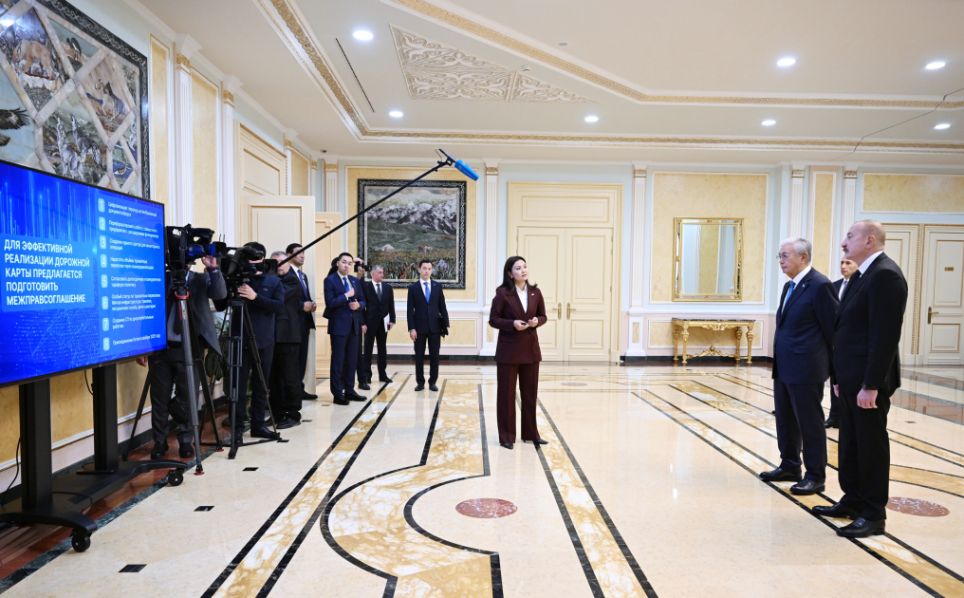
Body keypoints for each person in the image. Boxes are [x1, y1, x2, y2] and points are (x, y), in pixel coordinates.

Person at [812, 220, 908, 539]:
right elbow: (846, 330)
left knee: (870, 446)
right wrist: (839, 378)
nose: (843, 242)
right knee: (851, 443)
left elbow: (884, 337)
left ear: (869, 240)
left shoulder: (886, 275)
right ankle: (852, 500)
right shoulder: (861, 275)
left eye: (850, 236)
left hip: (868, 382)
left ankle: (873, 513)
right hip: (850, 378)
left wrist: (871, 385)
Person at [759, 238, 837, 495]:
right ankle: (790, 465)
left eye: (785, 255)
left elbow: (832, 331)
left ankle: (815, 475)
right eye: (780, 256)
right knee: (785, 419)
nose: (781, 261)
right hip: (785, 366)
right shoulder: (789, 286)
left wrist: (836, 372)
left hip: (807, 368)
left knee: (809, 423)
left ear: (803, 257)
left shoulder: (820, 285)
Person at [140, 254, 226, 459]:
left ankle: (186, 441)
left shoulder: (200, 279)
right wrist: (143, 345)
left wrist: (213, 269)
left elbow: (220, 295)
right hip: (161, 348)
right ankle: (159, 442)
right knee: (159, 399)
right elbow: (148, 310)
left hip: (191, 346)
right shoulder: (159, 279)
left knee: (187, 397)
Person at [489, 256, 548, 450]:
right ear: (510, 273)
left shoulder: (536, 292)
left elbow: (543, 316)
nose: (523, 270)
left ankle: (530, 434)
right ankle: (507, 436)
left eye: (525, 266)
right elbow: (493, 319)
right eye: (518, 268)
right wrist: (512, 324)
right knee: (506, 395)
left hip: (531, 351)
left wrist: (537, 321)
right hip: (509, 352)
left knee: (530, 394)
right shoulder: (502, 293)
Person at [233, 242, 284, 441]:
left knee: (261, 385)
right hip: (239, 339)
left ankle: (258, 425)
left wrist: (255, 297)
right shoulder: (236, 280)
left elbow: (278, 307)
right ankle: (237, 428)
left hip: (264, 340)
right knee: (238, 386)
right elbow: (221, 303)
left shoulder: (273, 281)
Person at [323, 252, 367, 405]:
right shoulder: (330, 280)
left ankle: (350, 390)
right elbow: (330, 303)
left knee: (351, 361)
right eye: (344, 262)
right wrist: (347, 296)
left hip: (354, 326)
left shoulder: (354, 280)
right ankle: (337, 393)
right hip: (339, 327)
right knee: (338, 361)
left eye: (349, 263)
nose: (347, 265)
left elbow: (363, 301)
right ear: (337, 263)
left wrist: (359, 305)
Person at [269, 251, 304, 429]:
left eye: (282, 262)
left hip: (289, 336)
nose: (279, 266)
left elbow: (279, 296)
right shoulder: (273, 280)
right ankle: (276, 412)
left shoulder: (292, 280)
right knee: (274, 378)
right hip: (273, 336)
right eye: (275, 263)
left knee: (290, 377)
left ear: (289, 264)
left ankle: (293, 413)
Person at [826, 258, 859, 428]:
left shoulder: (860, 286)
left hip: (851, 343)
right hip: (835, 341)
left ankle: (847, 418)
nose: (844, 267)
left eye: (848, 263)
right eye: (842, 263)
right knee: (835, 380)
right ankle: (834, 416)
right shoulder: (834, 286)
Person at [407, 259, 449, 392]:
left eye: (429, 269)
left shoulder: (437, 286)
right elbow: (409, 310)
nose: (426, 271)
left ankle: (433, 382)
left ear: (432, 270)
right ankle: (420, 382)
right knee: (419, 357)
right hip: (419, 328)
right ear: (419, 269)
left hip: (435, 327)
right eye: (424, 268)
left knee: (434, 357)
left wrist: (446, 324)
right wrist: (411, 328)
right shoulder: (413, 288)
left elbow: (442, 306)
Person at [285, 243, 318, 401]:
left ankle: (299, 389)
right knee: (291, 360)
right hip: (291, 324)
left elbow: (304, 297)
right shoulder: (286, 273)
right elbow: (284, 299)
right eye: (298, 253)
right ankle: (291, 394)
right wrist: (301, 305)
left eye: (304, 252)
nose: (303, 255)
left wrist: (311, 304)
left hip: (304, 323)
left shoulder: (302, 275)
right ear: (289, 255)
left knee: (302, 358)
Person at [362, 264, 396, 384]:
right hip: (369, 323)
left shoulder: (388, 288)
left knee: (382, 349)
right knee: (368, 349)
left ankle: (383, 375)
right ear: (373, 274)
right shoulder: (366, 287)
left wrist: (392, 320)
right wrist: (363, 323)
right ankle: (367, 375)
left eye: (382, 272)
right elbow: (362, 308)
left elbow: (391, 305)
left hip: (384, 323)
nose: (382, 274)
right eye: (380, 272)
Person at [354, 260, 371, 390]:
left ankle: (362, 380)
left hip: (358, 321)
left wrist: (364, 322)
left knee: (359, 353)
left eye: (363, 269)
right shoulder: (340, 279)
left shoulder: (363, 284)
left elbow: (365, 304)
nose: (361, 270)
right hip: (343, 321)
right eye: (359, 268)